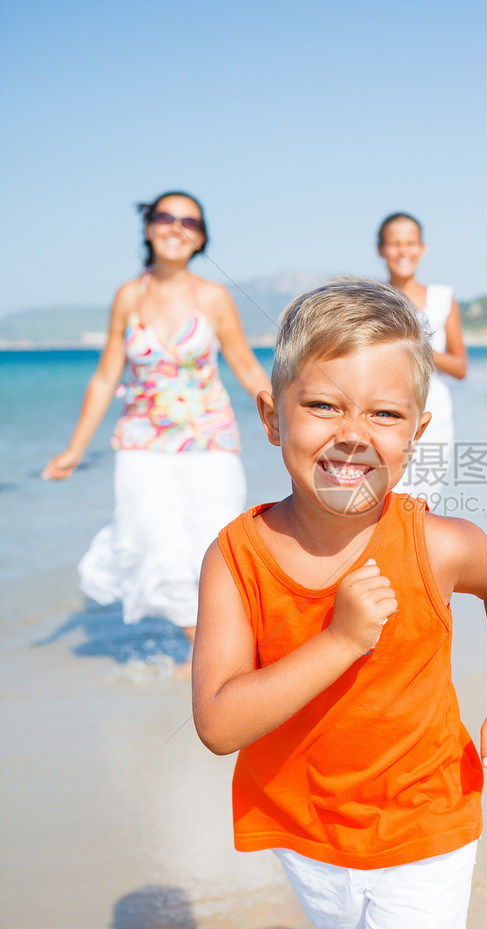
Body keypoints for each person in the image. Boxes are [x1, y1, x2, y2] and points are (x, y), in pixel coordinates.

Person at [192, 278, 487, 929]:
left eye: (384, 415)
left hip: (425, 817)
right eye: (322, 405)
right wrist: (341, 640)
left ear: (416, 433)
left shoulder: (436, 544)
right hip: (305, 829)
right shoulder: (235, 557)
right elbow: (217, 722)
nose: (352, 435)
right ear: (271, 417)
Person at [43, 190, 271, 661]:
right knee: (157, 549)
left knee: (215, 549)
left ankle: (222, 664)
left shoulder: (213, 297)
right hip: (141, 444)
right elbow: (107, 376)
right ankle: (213, 668)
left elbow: (246, 367)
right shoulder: (130, 295)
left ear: (201, 237)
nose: (175, 227)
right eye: (166, 217)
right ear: (149, 226)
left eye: (189, 221)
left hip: (210, 441)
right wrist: (74, 449)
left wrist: (288, 418)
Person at [377, 212, 467, 499]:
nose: (403, 251)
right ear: (381, 249)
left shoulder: (442, 298)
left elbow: (460, 367)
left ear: (422, 248)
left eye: (411, 243)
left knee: (423, 502)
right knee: (387, 495)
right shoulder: (372, 298)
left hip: (434, 413)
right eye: (394, 243)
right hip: (384, 411)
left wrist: (417, 348)